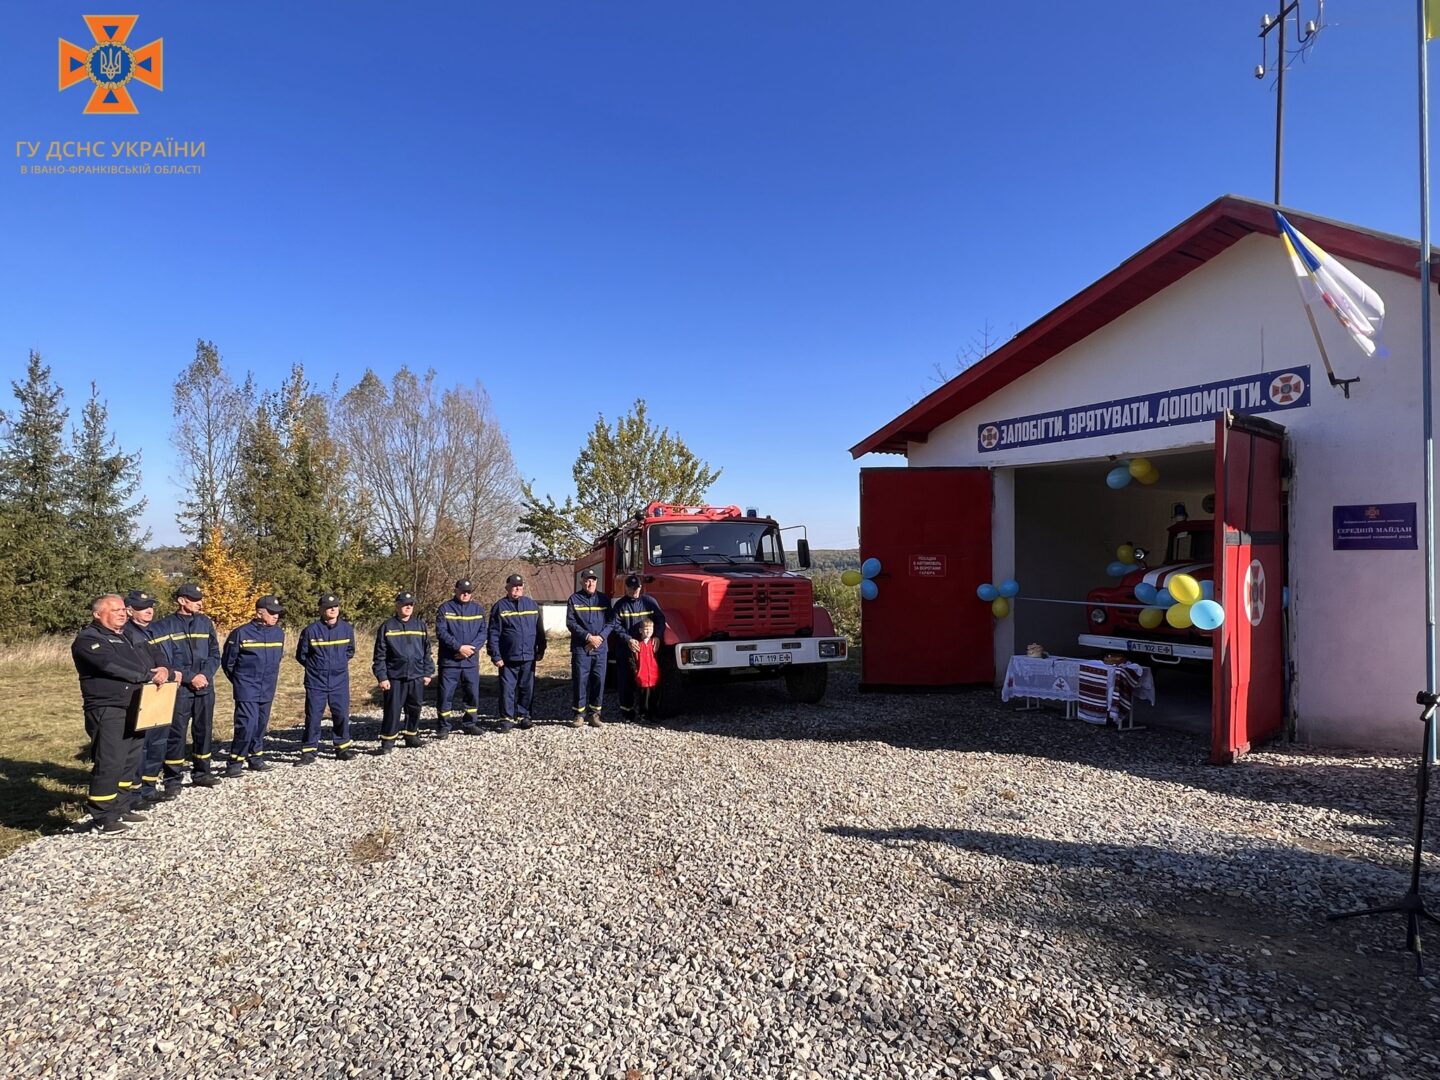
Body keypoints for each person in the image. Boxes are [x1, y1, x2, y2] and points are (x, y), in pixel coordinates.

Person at [72, 594, 169, 835]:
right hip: (108, 708)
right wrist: (147, 675)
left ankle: (121, 806)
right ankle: (102, 815)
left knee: (130, 759)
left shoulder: (128, 635)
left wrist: (164, 668)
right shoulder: (89, 640)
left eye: (122, 610)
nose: (122, 613)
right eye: (114, 610)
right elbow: (110, 666)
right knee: (110, 760)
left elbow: (152, 652)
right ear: (97, 614)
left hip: (137, 705)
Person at [151, 583, 222, 792]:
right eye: (194, 599)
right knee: (176, 733)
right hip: (180, 689)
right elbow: (163, 660)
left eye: (200, 599)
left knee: (204, 730)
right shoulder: (164, 626)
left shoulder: (205, 623)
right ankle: (173, 779)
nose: (199, 603)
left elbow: (214, 654)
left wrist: (205, 675)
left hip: (205, 687)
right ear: (182, 601)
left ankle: (202, 772)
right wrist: (191, 678)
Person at [121, 589, 180, 807]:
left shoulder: (153, 631)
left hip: (160, 689)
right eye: (142, 608)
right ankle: (134, 794)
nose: (149, 611)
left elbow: (162, 657)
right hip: (140, 692)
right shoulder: (126, 633)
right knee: (141, 744)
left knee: (158, 739)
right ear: (129, 610)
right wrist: (154, 673)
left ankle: (149, 786)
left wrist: (166, 669)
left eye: (151, 607)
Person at [221, 595, 286, 775]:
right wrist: (240, 681)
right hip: (247, 687)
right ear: (259, 613)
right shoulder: (241, 633)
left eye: (278, 613)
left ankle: (255, 757)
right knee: (246, 725)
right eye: (272, 613)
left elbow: (278, 658)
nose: (276, 617)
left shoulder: (278, 633)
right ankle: (235, 762)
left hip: (267, 686)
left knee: (260, 725)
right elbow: (228, 662)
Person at [294, 593, 358, 763]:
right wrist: (316, 668)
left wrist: (338, 664)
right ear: (321, 609)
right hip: (317, 681)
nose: (333, 609)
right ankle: (309, 751)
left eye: (335, 606)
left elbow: (350, 651)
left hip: (339, 680)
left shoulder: (346, 629)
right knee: (314, 716)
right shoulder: (311, 631)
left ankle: (342, 747)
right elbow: (302, 655)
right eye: (329, 607)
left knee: (341, 714)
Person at [372, 590, 435, 751]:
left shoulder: (420, 625)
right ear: (397, 605)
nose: (408, 607)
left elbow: (427, 651)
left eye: (410, 605)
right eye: (404, 604)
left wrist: (428, 672)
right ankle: (388, 741)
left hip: (416, 675)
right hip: (395, 676)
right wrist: (382, 677)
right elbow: (379, 655)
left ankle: (411, 735)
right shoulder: (387, 626)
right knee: (393, 709)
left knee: (415, 707)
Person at [485, 573, 545, 732]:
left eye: (520, 586)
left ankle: (524, 716)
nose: (517, 589)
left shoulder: (532, 605)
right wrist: (495, 655)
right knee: (507, 690)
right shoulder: (500, 606)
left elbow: (539, 630)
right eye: (514, 586)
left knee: (527, 688)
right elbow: (493, 633)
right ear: (507, 588)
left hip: (528, 656)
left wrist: (542, 649)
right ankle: (506, 719)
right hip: (508, 657)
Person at [565, 568, 619, 728]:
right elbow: (571, 623)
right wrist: (588, 637)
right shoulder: (574, 599)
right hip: (581, 648)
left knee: (598, 681)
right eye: (587, 580)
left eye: (593, 580)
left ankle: (595, 714)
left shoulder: (603, 599)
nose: (590, 583)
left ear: (596, 582)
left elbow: (612, 621)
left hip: (600, 649)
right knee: (580, 681)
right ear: (582, 582)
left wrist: (601, 637)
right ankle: (579, 715)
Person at [611, 574, 666, 722]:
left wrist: (658, 636)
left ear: (641, 588)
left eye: (637, 588)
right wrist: (627, 639)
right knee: (626, 681)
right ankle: (627, 712)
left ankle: (647, 712)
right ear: (626, 588)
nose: (634, 591)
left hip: (647, 650)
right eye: (631, 588)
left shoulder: (649, 602)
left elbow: (661, 619)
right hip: (627, 650)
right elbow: (614, 625)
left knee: (648, 681)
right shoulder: (620, 605)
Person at [435, 578, 485, 737]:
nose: (465, 594)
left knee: (472, 694)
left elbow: (483, 633)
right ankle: (444, 726)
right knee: (445, 695)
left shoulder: (478, 609)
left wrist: (471, 649)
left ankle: (470, 723)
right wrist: (458, 647)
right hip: (450, 661)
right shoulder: (445, 608)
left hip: (470, 661)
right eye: (462, 591)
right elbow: (441, 632)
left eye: (468, 592)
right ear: (455, 591)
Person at [629, 617, 662, 724]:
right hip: (642, 676)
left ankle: (653, 715)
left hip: (654, 676)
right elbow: (632, 659)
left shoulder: (655, 644)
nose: (648, 632)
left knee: (654, 696)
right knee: (643, 698)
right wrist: (635, 672)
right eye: (646, 629)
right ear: (640, 630)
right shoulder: (637, 644)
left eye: (651, 629)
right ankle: (643, 716)